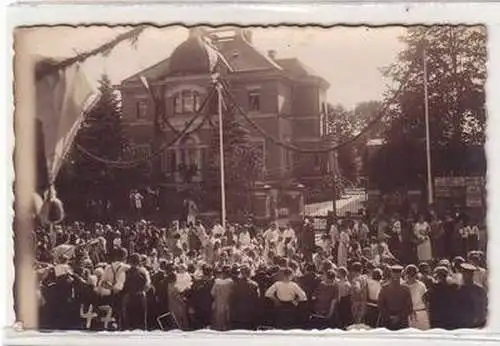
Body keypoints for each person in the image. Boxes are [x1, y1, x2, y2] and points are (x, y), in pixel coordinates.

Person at [377, 265, 413, 330]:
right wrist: (399, 317)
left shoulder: (384, 288)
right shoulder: (406, 289)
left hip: (387, 321)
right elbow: (409, 307)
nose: (396, 275)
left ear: (391, 273)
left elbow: (380, 305)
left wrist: (389, 316)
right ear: (401, 274)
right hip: (401, 322)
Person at [455, 263, 487, 328]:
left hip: (475, 322)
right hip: (461, 322)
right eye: (463, 274)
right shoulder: (458, 289)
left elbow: (482, 307)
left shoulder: (478, 289)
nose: (465, 276)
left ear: (472, 275)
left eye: (467, 274)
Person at [121, 253, 148, 330]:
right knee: (141, 320)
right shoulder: (143, 272)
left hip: (129, 296)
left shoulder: (126, 272)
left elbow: (123, 285)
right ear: (139, 262)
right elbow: (146, 285)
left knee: (129, 320)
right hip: (140, 296)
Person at [229, 265, 260, 330]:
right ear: (249, 274)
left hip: (237, 314)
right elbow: (257, 299)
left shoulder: (235, 284)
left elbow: (231, 299)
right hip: (250, 315)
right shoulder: (254, 285)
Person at [403, 265, 430, 330]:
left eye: (412, 274)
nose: (411, 276)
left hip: (420, 313)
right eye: (410, 274)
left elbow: (426, 300)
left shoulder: (421, 285)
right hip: (409, 315)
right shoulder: (403, 286)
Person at [211, 266, 234, 331]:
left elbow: (212, 293)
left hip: (217, 304)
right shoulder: (231, 282)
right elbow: (232, 293)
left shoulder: (216, 282)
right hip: (227, 304)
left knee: (217, 324)